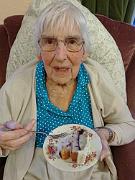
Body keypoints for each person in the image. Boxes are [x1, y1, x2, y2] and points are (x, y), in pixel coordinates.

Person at [0, 1, 135, 180]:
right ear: (39, 50)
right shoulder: (20, 82)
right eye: (50, 42)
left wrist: (105, 134)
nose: (61, 56)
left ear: (84, 51)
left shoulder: (96, 78)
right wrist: (2, 138)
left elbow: (128, 125)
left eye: (72, 42)